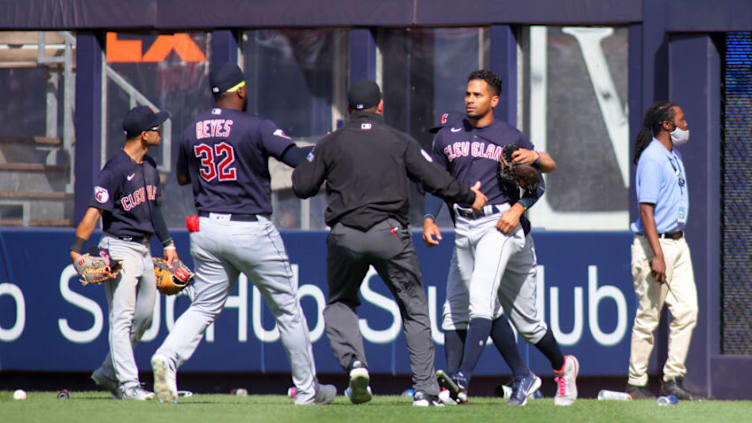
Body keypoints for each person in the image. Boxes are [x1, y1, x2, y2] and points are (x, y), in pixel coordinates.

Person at [291, 79, 487, 407]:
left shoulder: (332, 142)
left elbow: (301, 185)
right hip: (390, 234)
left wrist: (319, 151)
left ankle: (355, 365)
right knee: (413, 308)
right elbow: (435, 178)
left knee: (340, 302)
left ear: (350, 108)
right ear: (380, 106)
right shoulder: (399, 141)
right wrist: (470, 196)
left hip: (344, 235)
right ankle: (425, 390)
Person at [150, 62, 335, 405]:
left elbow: (182, 179)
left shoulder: (193, 130)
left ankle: (167, 357)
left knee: (204, 306)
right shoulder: (256, 125)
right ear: (240, 91)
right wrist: (329, 152)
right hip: (249, 227)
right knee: (287, 310)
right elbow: (299, 159)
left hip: (206, 228)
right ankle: (308, 392)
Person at [423, 70, 578, 406]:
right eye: (467, 93)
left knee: (516, 317)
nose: (469, 99)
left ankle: (465, 378)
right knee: (456, 309)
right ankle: (479, 383)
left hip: (501, 225)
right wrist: (427, 218)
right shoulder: (447, 135)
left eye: (477, 95)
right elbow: (436, 182)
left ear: (494, 100)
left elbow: (539, 182)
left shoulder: (510, 136)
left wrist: (518, 207)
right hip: (463, 227)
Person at [71, 105, 180, 400]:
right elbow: (94, 212)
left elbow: (153, 209)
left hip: (144, 249)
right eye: (156, 128)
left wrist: (168, 242)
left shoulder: (150, 167)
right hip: (119, 246)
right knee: (122, 318)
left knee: (143, 316)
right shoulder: (115, 169)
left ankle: (109, 372)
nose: (160, 132)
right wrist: (77, 251)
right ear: (144, 135)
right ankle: (129, 384)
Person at [626, 101, 698, 401]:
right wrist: (657, 255)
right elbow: (646, 211)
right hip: (657, 245)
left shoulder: (673, 155)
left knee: (687, 311)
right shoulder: (652, 158)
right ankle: (636, 382)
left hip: (678, 243)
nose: (685, 124)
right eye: (680, 120)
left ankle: (672, 380)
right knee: (649, 316)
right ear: (667, 125)